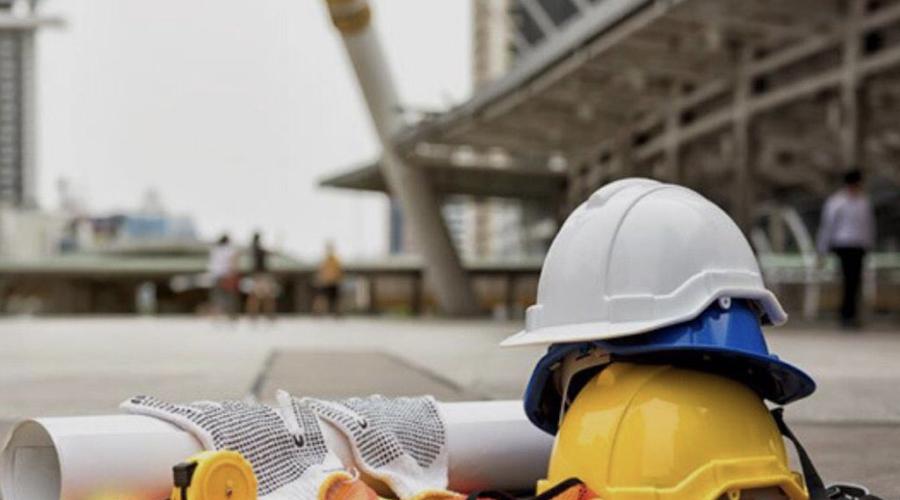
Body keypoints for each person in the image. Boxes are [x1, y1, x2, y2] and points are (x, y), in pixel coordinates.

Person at [816, 169, 876, 329]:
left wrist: (869, 244)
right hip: (843, 244)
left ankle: (852, 314)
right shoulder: (837, 202)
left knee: (855, 281)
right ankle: (846, 314)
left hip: (858, 245)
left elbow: (867, 225)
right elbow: (827, 226)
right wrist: (822, 249)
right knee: (848, 280)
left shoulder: (863, 202)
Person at [245, 232, 278, 319]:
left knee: (255, 296)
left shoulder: (252, 249)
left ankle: (253, 314)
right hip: (262, 275)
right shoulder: (258, 249)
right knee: (266, 296)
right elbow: (271, 253)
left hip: (256, 275)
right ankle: (268, 314)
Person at [208, 233, 240, 319]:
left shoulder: (215, 249)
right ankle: (231, 315)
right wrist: (234, 273)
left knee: (217, 296)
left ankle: (216, 315)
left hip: (215, 275)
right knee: (230, 296)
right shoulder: (230, 250)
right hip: (227, 275)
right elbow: (233, 262)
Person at [316, 241, 343, 316]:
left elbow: (339, 271)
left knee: (336, 298)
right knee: (322, 298)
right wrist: (321, 279)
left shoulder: (335, 260)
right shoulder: (325, 260)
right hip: (325, 282)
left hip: (334, 282)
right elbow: (321, 271)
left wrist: (338, 279)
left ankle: (338, 312)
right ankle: (319, 312)